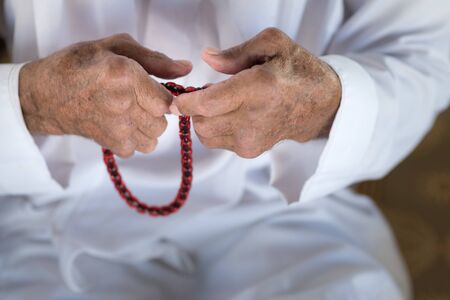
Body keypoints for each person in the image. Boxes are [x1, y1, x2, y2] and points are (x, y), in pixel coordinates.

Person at [0, 0, 449, 299]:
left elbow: (424, 53)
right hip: (42, 220)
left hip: (292, 211)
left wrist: (325, 103)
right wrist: (32, 102)